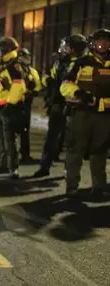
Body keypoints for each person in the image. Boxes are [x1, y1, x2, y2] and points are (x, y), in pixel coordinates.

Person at [60, 28, 110, 199]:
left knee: (100, 152)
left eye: (106, 41)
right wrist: (79, 93)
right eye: (99, 40)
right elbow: (65, 85)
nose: (103, 44)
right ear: (92, 43)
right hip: (82, 114)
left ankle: (99, 187)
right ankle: (72, 187)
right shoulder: (81, 63)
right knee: (75, 150)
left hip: (105, 116)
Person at [34, 34, 87, 178]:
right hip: (57, 104)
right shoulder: (60, 62)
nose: (63, 48)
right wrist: (47, 81)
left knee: (71, 140)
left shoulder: (83, 64)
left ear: (74, 48)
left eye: (66, 46)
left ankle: (68, 170)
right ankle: (44, 166)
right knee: (51, 137)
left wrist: (56, 84)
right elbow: (49, 76)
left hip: (73, 106)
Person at [0, 37, 27, 179]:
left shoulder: (13, 65)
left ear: (5, 50)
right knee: (3, 139)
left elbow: (18, 86)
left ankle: (13, 168)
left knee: (10, 140)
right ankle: (4, 165)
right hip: (1, 107)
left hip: (9, 108)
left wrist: (10, 105)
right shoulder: (4, 65)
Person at [17, 48, 43, 162]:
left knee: (25, 130)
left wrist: (33, 91)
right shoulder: (14, 70)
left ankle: (25, 154)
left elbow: (38, 85)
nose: (25, 59)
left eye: (26, 56)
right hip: (14, 102)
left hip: (26, 103)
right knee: (8, 131)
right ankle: (6, 154)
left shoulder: (32, 71)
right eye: (22, 57)